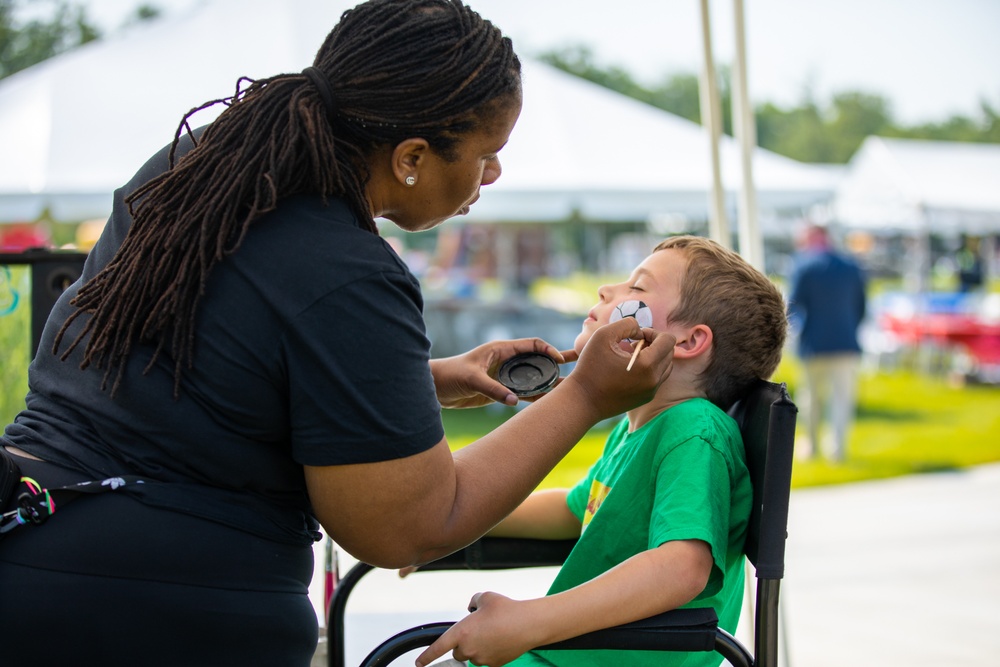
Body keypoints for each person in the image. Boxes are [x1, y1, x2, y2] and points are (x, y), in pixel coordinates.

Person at [0, 2, 675, 664]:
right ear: (412, 155)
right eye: (486, 153)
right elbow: (404, 527)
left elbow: (202, 370)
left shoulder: (198, 169)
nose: (493, 174)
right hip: (148, 609)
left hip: (37, 547)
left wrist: (417, 383)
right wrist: (584, 396)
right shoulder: (348, 272)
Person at [412, 235, 789, 667]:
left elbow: (682, 567)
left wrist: (528, 621)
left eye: (638, 288)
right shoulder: (637, 426)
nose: (606, 291)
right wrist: (439, 516)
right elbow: (576, 511)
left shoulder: (694, 433)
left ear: (687, 342)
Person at [787, 224, 867, 462]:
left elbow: (793, 306)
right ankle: (837, 449)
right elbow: (861, 306)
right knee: (842, 398)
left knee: (811, 398)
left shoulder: (804, 266)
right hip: (845, 341)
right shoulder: (851, 267)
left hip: (814, 343)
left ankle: (812, 447)